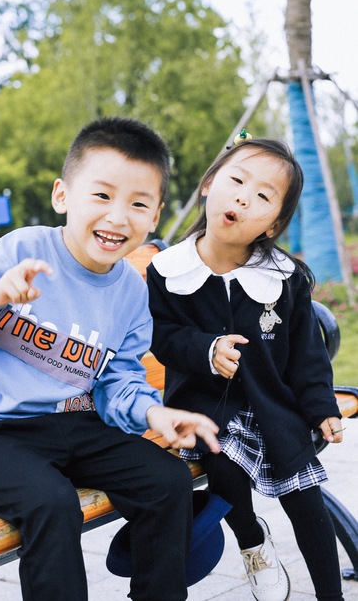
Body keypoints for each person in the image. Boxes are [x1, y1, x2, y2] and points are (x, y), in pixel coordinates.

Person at [0, 116, 220, 601]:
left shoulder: (131, 291)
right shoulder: (23, 249)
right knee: (51, 503)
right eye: (102, 195)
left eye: (138, 204)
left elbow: (118, 382)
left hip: (74, 425)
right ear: (63, 195)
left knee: (169, 481)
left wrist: (153, 413)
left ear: (155, 217)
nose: (118, 217)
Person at [147, 133, 345, 601]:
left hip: (272, 404)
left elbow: (307, 354)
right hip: (203, 406)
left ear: (272, 225)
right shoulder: (169, 271)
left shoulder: (283, 279)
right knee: (225, 469)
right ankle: (253, 542)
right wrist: (205, 348)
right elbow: (162, 335)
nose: (242, 197)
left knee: (305, 497)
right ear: (208, 185)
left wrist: (321, 407)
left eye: (262, 196)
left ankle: (331, 595)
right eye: (236, 181)